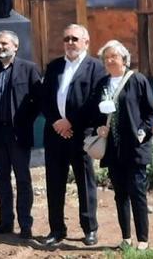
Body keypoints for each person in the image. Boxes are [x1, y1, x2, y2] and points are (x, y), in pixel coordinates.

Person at [41, 24, 108, 247]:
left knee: (85, 183)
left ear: (86, 42)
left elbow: (94, 103)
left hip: (81, 136)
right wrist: (56, 122)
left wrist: (71, 122)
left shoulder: (96, 68)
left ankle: (89, 229)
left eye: (75, 39)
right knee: (54, 184)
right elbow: (45, 99)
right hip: (55, 135)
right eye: (67, 39)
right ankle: (56, 229)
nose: (70, 43)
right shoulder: (54, 67)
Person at [0, 30, 42, 240]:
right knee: (1, 179)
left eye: (5, 44)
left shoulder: (28, 69)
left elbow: (37, 100)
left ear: (15, 46)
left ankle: (25, 224)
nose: (1, 47)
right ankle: (5, 222)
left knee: (23, 179)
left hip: (19, 133)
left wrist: (24, 121)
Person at [94, 40, 153, 251]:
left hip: (134, 149)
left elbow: (151, 113)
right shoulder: (102, 84)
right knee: (120, 194)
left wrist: (141, 132)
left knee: (137, 193)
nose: (110, 60)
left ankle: (143, 240)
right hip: (113, 150)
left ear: (124, 59)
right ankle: (126, 238)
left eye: (114, 56)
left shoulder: (137, 80)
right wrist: (98, 129)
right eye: (106, 57)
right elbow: (96, 113)